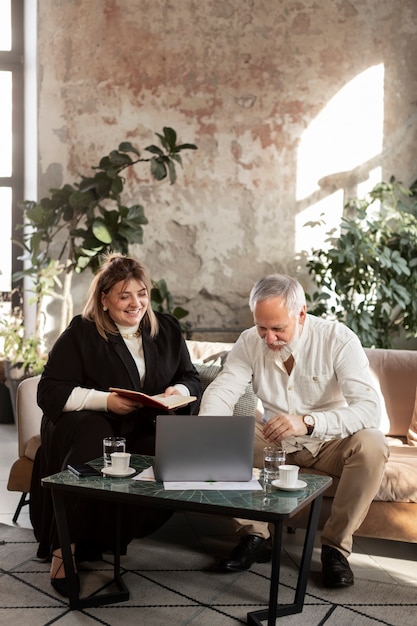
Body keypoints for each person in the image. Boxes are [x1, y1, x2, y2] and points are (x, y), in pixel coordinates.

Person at [199, 273, 389, 588]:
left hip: (331, 441)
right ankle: (255, 535)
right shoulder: (249, 341)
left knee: (373, 444)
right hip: (275, 441)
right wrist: (207, 431)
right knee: (221, 434)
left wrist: (308, 421)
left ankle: (334, 549)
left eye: (278, 329)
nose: (269, 338)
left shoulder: (338, 339)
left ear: (301, 315)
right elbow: (223, 390)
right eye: (262, 328)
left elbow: (369, 410)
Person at [30, 253, 201, 596]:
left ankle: (104, 539)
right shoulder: (82, 331)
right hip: (83, 423)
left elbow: (190, 377)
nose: (135, 303)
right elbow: (49, 391)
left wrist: (178, 391)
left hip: (141, 424)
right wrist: (105, 401)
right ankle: (65, 549)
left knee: (167, 449)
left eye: (141, 293)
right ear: (104, 299)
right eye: (124, 295)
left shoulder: (165, 328)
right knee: (98, 437)